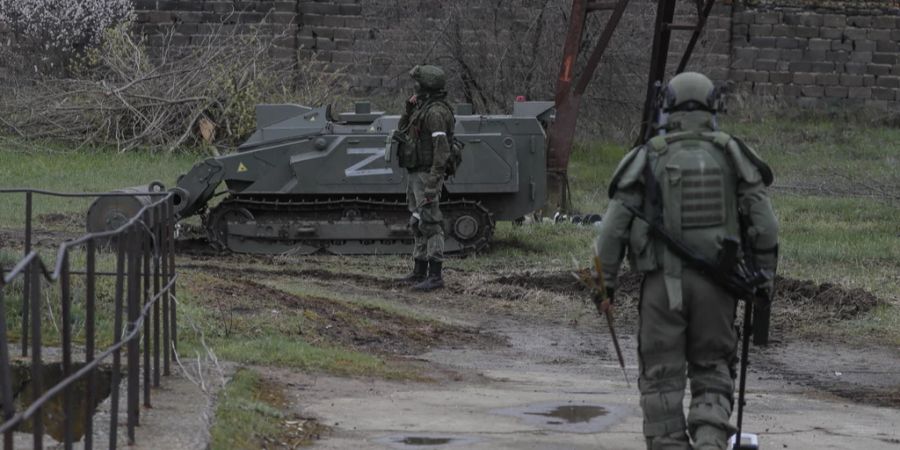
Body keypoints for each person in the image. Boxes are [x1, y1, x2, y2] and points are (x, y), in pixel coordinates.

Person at [594, 72, 779, 449]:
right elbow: (765, 226)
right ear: (714, 106)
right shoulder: (733, 154)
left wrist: (604, 287)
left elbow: (612, 230)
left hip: (662, 289)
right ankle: (711, 442)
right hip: (720, 287)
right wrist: (763, 282)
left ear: (668, 107)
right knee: (713, 370)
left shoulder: (648, 156)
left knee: (661, 377)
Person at [396, 65, 455, 291]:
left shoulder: (435, 113)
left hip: (426, 174)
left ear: (426, 86)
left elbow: (442, 151)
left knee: (431, 223)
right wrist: (407, 110)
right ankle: (419, 271)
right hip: (415, 172)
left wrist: (432, 183)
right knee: (417, 222)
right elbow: (402, 133)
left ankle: (435, 276)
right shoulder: (422, 108)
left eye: (418, 83)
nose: (415, 87)